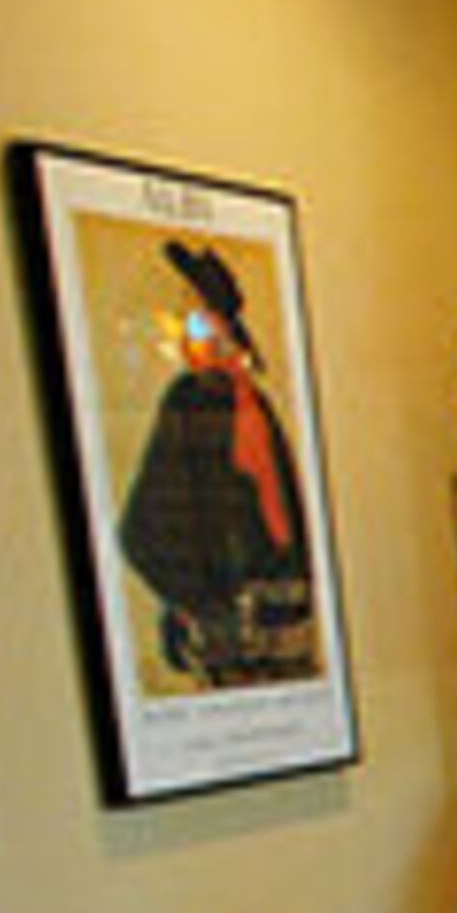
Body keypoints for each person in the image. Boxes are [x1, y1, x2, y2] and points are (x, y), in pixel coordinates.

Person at [116, 239, 314, 687]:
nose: (186, 335)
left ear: (221, 327)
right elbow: (144, 529)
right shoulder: (214, 400)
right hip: (245, 616)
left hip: (260, 617)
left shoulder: (218, 400)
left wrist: (203, 601)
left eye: (194, 322)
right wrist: (196, 600)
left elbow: (283, 519)